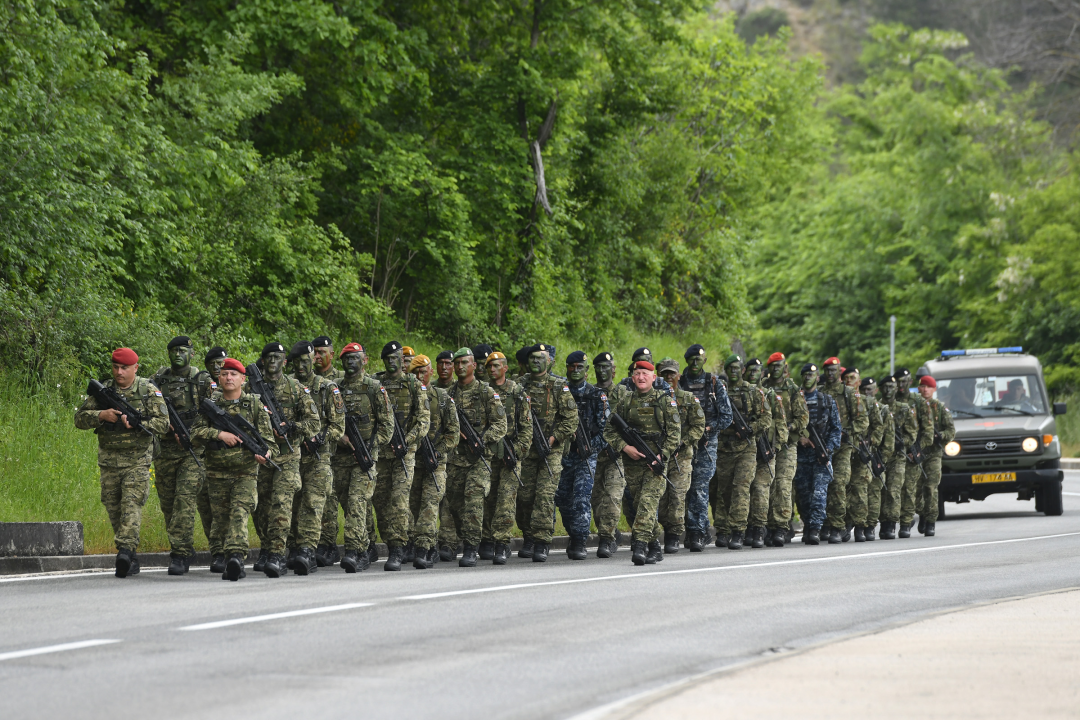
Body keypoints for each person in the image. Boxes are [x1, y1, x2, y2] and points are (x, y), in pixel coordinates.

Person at [75, 348, 170, 578]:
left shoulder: (148, 390)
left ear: (135, 368)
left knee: (131, 504)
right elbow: (79, 419)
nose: (119, 372)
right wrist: (101, 415)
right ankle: (130, 555)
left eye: (124, 368)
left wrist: (138, 422)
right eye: (116, 367)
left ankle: (125, 551)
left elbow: (164, 424)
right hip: (108, 461)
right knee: (113, 506)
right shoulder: (104, 391)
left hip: (137, 460)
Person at [189, 357, 279, 581]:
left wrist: (266, 455)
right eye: (225, 374)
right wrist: (219, 434)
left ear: (242, 379)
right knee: (220, 519)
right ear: (219, 378)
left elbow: (271, 444)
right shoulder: (211, 405)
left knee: (239, 512)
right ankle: (220, 554)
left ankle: (236, 557)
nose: (229, 378)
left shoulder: (255, 405)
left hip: (245, 472)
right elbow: (195, 434)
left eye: (233, 374)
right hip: (216, 472)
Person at [248, 342, 321, 578]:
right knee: (261, 507)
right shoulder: (250, 389)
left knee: (281, 504)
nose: (272, 361)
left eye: (277, 357)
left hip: (288, 456)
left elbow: (314, 423)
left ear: (285, 362)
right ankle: (268, 548)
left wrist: (292, 428)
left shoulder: (296, 388)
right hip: (261, 456)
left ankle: (278, 555)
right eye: (268, 357)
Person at [603, 360, 681, 565]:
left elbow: (675, 434)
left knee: (647, 503)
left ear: (653, 378)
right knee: (640, 507)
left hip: (655, 463)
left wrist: (662, 456)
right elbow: (609, 430)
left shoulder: (665, 401)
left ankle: (639, 546)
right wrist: (625, 448)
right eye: (637, 373)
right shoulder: (625, 401)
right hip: (633, 464)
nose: (640, 377)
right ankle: (655, 546)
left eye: (645, 373)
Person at [325, 343, 394, 572]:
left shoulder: (374, 388)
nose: (351, 362)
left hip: (364, 459)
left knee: (357, 502)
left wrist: (371, 446)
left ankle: (356, 552)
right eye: (346, 358)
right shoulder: (335, 389)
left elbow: (387, 425)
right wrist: (341, 438)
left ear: (364, 360)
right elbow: (329, 422)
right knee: (352, 506)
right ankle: (368, 545)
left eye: (356, 357)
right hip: (340, 460)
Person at [151, 336, 215, 575]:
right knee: (168, 504)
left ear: (192, 353)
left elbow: (216, 411)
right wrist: (166, 426)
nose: (178, 354)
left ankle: (179, 554)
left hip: (194, 450)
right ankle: (184, 548)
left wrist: (194, 433)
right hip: (166, 451)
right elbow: (148, 407)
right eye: (173, 350)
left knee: (184, 499)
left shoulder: (202, 381)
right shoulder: (157, 380)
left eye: (182, 350)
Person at [517, 344, 578, 562]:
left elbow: (571, 419)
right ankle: (528, 536)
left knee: (544, 495)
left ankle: (542, 541)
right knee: (524, 496)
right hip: (526, 449)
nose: (536, 361)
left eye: (540, 358)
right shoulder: (519, 385)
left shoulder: (559, 386)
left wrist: (553, 438)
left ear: (549, 361)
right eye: (532, 358)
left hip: (550, 449)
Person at [371, 341, 430, 570]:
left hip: (404, 452)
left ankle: (397, 548)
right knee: (382, 502)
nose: (393, 361)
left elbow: (423, 420)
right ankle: (398, 541)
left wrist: (408, 440)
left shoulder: (413, 385)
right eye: (388, 357)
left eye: (397, 356)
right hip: (381, 452)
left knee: (399, 500)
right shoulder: (377, 384)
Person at [287, 341, 344, 575]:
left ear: (312, 361)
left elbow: (338, 425)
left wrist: (321, 438)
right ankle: (291, 547)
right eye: (296, 362)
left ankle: (308, 550)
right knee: (291, 504)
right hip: (291, 456)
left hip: (319, 457)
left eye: (305, 361)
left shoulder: (327, 387)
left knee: (313, 504)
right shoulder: (287, 386)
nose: (301, 366)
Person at [446, 347, 506, 567]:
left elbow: (501, 423)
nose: (460, 367)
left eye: (465, 363)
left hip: (479, 459)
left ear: (473, 366)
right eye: (457, 363)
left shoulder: (485, 392)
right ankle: (472, 537)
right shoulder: (448, 395)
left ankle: (471, 548)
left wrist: (482, 439)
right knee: (454, 503)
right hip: (455, 458)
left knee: (473, 500)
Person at [713, 355, 770, 550]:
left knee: (741, 488)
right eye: (731, 368)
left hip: (747, 448)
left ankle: (738, 531)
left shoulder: (754, 392)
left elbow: (766, 418)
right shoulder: (719, 392)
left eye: (738, 368)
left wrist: (750, 429)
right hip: (724, 448)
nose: (734, 371)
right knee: (726, 490)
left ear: (742, 370)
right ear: (726, 371)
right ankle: (730, 526)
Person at [678, 344, 732, 551]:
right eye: (691, 359)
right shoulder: (680, 383)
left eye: (698, 360)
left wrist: (709, 428)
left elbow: (726, 416)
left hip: (706, 445)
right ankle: (689, 529)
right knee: (684, 489)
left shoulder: (714, 383)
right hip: (684, 444)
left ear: (704, 361)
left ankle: (697, 532)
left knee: (699, 489)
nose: (694, 363)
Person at [408, 354, 459, 568]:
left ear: (431, 372)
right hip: (413, 461)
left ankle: (424, 548)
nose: (420, 375)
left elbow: (453, 433)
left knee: (430, 504)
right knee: (412, 506)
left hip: (436, 462)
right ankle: (421, 544)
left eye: (423, 371)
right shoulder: (406, 397)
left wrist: (438, 452)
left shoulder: (442, 397)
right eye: (416, 372)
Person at [482, 351, 532, 565]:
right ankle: (487, 540)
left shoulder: (517, 391)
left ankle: (502, 543)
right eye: (489, 367)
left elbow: (527, 426)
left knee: (506, 500)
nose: (492, 370)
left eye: (496, 366)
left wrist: (519, 452)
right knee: (488, 499)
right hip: (488, 454)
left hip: (511, 454)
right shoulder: (483, 391)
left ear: (505, 368)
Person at [556, 351, 607, 560]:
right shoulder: (560, 392)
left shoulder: (596, 395)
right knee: (561, 498)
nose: (575, 371)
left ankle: (579, 541)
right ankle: (573, 533)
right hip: (562, 455)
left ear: (587, 371)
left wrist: (589, 447)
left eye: (580, 367)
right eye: (572, 367)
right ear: (567, 368)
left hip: (586, 456)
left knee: (581, 498)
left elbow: (606, 432)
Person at [656, 358, 705, 554]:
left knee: (677, 495)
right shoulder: (652, 398)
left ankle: (673, 535)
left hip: (681, 456)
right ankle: (657, 531)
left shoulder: (688, 399)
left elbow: (698, 426)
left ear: (678, 375)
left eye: (672, 374)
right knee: (659, 496)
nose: (668, 377)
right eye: (664, 373)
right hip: (658, 454)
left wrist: (683, 442)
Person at [791, 363, 842, 545]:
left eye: (812, 374)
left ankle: (815, 529)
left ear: (817, 377)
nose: (808, 377)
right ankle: (808, 524)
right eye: (805, 374)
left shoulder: (827, 401)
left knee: (819, 493)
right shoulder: (794, 401)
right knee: (803, 495)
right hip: (801, 455)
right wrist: (799, 440)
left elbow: (837, 429)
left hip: (821, 454)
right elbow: (786, 427)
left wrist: (828, 448)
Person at [762, 352, 808, 547]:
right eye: (772, 366)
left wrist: (788, 427)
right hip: (767, 444)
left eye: (779, 365)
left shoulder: (793, 389)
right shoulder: (763, 387)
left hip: (787, 444)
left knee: (783, 484)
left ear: (784, 366)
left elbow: (803, 418)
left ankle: (781, 526)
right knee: (767, 485)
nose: (776, 369)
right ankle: (769, 526)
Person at [820, 357, 868, 544]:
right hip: (822, 446)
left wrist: (848, 432)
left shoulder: (848, 393)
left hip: (844, 447)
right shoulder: (820, 393)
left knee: (839, 483)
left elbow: (862, 421)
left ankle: (838, 526)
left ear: (839, 371)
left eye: (834, 370)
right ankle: (826, 523)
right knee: (824, 486)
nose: (831, 373)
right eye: (828, 370)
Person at [745, 358, 788, 549]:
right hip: (744, 449)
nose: (754, 374)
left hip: (765, 449)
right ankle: (747, 528)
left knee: (762, 489)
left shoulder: (770, 395)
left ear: (762, 373)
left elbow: (781, 425)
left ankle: (760, 529)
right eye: (750, 370)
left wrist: (775, 448)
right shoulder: (739, 393)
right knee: (744, 489)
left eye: (757, 371)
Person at [589, 352, 626, 558]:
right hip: (594, 454)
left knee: (612, 497)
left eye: (606, 367)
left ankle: (607, 538)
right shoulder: (590, 392)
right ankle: (611, 531)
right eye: (598, 367)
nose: (602, 371)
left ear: (613, 370)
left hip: (615, 454)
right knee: (596, 500)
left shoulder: (622, 393)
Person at [843, 369, 883, 542]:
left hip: (862, 451)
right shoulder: (841, 400)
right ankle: (844, 523)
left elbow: (878, 427)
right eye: (847, 379)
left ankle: (862, 526)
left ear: (858, 382)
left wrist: (870, 441)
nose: (850, 382)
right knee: (842, 489)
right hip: (843, 451)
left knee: (860, 490)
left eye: (853, 379)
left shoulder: (868, 402)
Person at [895, 368, 933, 538]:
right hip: (895, 452)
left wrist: (917, 449)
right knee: (896, 489)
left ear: (910, 382)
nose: (901, 385)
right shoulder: (888, 401)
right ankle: (905, 519)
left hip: (913, 451)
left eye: (905, 381)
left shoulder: (918, 401)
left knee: (912, 489)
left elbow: (928, 431)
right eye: (898, 381)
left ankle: (910, 520)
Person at [916, 376, 955, 536]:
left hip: (933, 453)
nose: (925, 389)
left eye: (929, 387)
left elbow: (951, 431)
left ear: (934, 390)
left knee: (931, 488)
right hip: (917, 453)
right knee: (916, 489)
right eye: (923, 386)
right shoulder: (913, 407)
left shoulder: (939, 408)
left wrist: (941, 436)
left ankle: (931, 520)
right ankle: (922, 514)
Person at [878, 375, 916, 539]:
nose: (888, 390)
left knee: (894, 490)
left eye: (891, 387)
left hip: (897, 457)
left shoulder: (904, 409)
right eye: (885, 387)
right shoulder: (876, 407)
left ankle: (891, 524)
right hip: (879, 455)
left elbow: (912, 433)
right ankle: (880, 522)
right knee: (879, 490)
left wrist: (903, 443)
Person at [199, 346, 227, 545]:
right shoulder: (202, 386)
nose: (218, 368)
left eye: (222, 364)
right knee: (207, 502)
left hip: (234, 456)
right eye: (214, 364)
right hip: (205, 452)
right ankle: (216, 546)